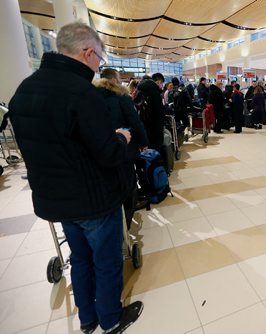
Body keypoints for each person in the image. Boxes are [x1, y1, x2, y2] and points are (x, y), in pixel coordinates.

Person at [8, 22, 143, 334]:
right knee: (106, 261)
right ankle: (110, 319)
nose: (99, 65)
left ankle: (87, 319)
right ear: (87, 52)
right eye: (99, 57)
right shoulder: (81, 93)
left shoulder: (25, 90)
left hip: (55, 198)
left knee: (79, 259)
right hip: (92, 197)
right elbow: (108, 153)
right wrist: (122, 137)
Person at [94, 68, 149, 228]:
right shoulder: (121, 96)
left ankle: (114, 218)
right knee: (128, 181)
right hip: (123, 145)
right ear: (113, 79)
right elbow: (135, 121)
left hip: (100, 149)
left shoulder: (91, 95)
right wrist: (143, 141)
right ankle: (127, 219)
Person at [136, 72, 165, 150]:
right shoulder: (154, 91)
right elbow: (159, 111)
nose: (161, 86)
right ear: (158, 82)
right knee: (155, 148)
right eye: (161, 83)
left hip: (144, 124)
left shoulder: (140, 89)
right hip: (155, 126)